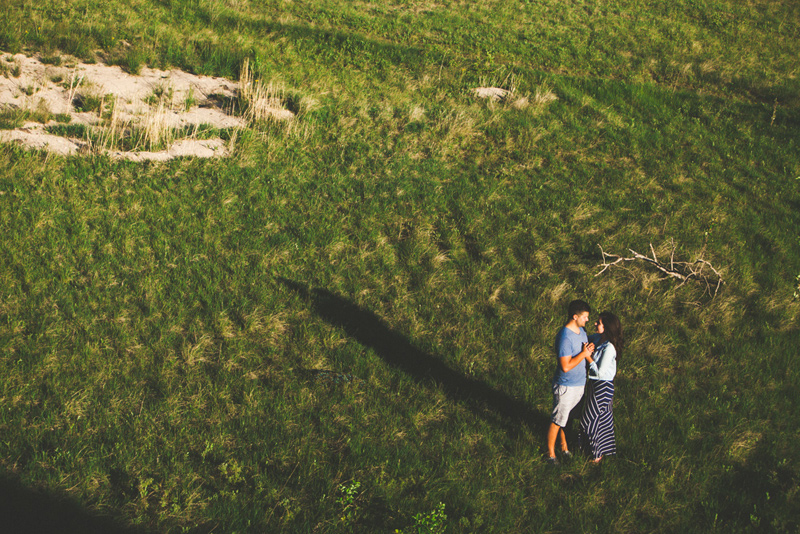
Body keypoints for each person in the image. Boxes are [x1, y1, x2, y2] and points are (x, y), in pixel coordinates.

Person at [547, 299, 595, 465]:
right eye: (585, 317)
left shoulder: (581, 332)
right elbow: (565, 366)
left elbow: (585, 351)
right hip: (566, 387)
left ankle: (564, 448)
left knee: (567, 420)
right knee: (557, 420)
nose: (587, 320)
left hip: (579, 385)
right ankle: (551, 455)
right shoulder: (564, 337)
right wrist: (583, 354)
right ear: (575, 317)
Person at [580, 312, 623, 463]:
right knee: (600, 420)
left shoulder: (609, 347)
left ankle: (595, 456)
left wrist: (587, 356)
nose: (595, 324)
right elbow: (586, 340)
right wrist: (588, 346)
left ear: (607, 327)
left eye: (598, 323)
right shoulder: (598, 338)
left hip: (602, 387)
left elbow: (599, 372)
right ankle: (597, 452)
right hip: (594, 386)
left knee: (589, 421)